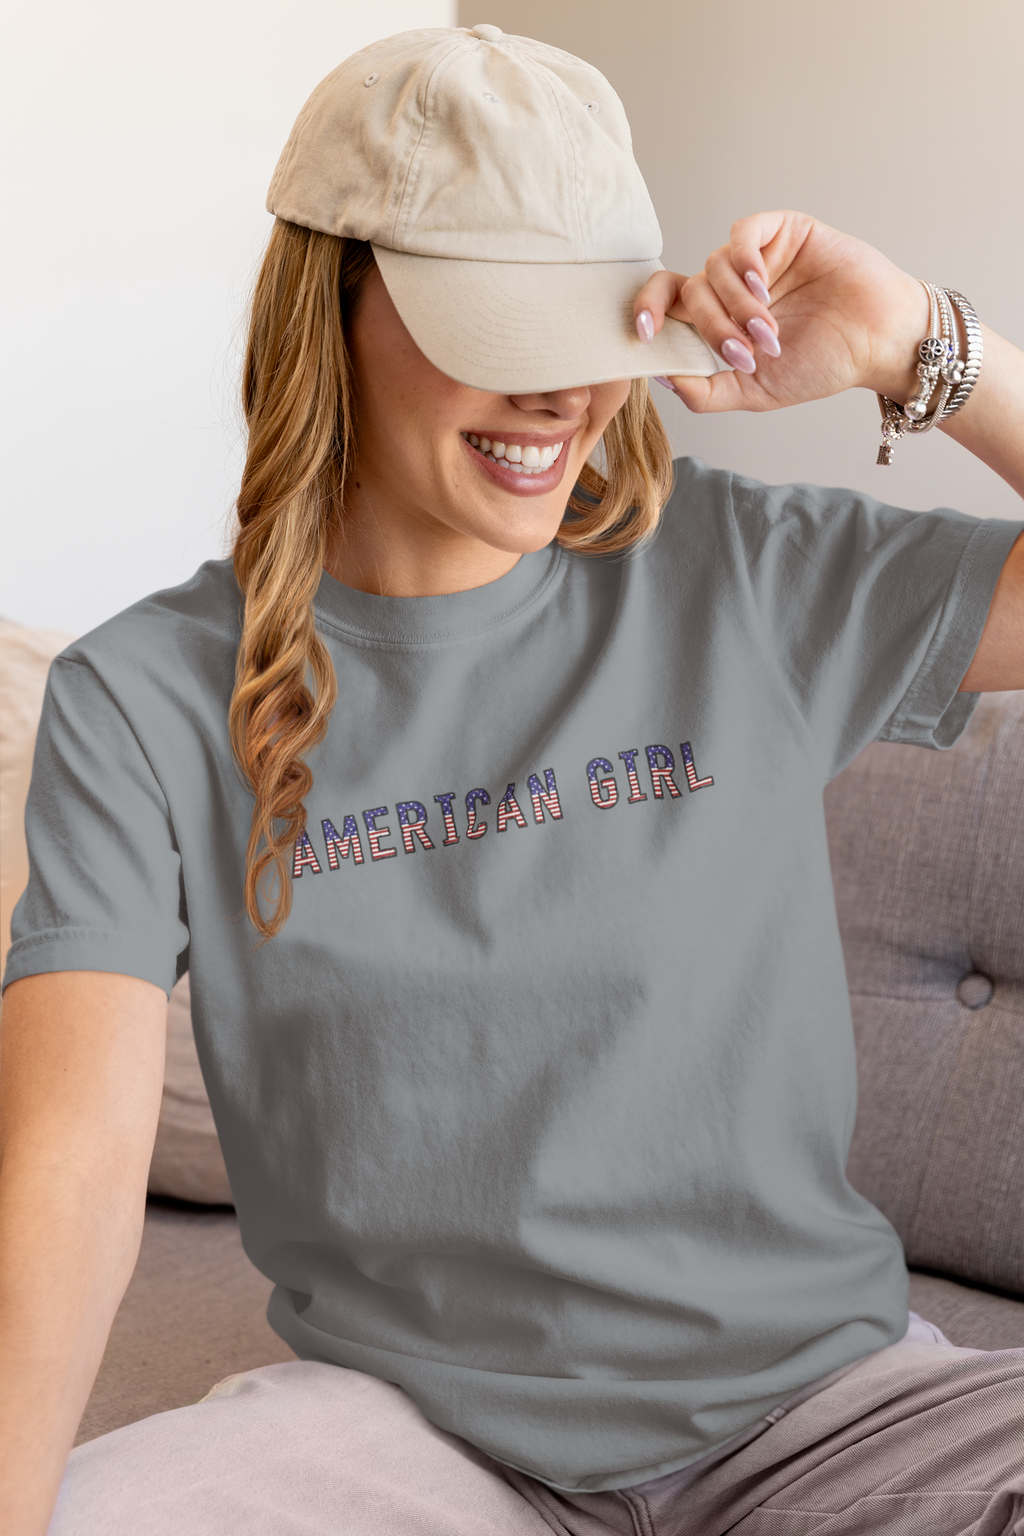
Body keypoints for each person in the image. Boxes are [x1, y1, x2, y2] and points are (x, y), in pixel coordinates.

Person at [1, 22, 1023, 1536]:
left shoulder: (739, 576)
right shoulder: (143, 699)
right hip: (412, 1442)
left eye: (599, 331)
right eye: (502, 332)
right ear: (329, 309)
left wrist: (921, 347)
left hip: (826, 1412)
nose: (565, 398)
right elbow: (70, 1158)